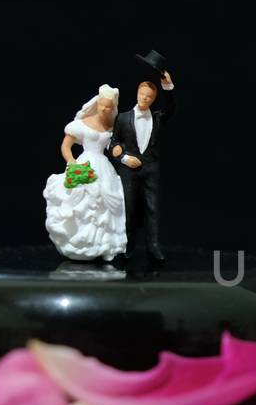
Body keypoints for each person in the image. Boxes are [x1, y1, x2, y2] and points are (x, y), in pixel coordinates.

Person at [43, 85, 127, 261]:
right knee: (81, 202)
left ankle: (101, 244)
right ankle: (77, 241)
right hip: (84, 164)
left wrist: (119, 150)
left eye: (109, 107)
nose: (105, 109)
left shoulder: (112, 127)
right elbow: (66, 147)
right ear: (97, 104)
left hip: (103, 167)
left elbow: (113, 149)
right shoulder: (82, 124)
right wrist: (73, 164)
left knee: (105, 204)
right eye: (102, 105)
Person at [110, 69, 173, 262]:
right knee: (128, 207)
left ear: (153, 99)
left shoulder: (158, 117)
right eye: (142, 94)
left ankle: (152, 246)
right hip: (129, 169)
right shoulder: (122, 118)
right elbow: (113, 144)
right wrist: (124, 159)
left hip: (151, 168)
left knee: (152, 208)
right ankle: (127, 245)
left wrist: (167, 86)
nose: (144, 98)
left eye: (148, 96)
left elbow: (172, 108)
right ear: (137, 94)